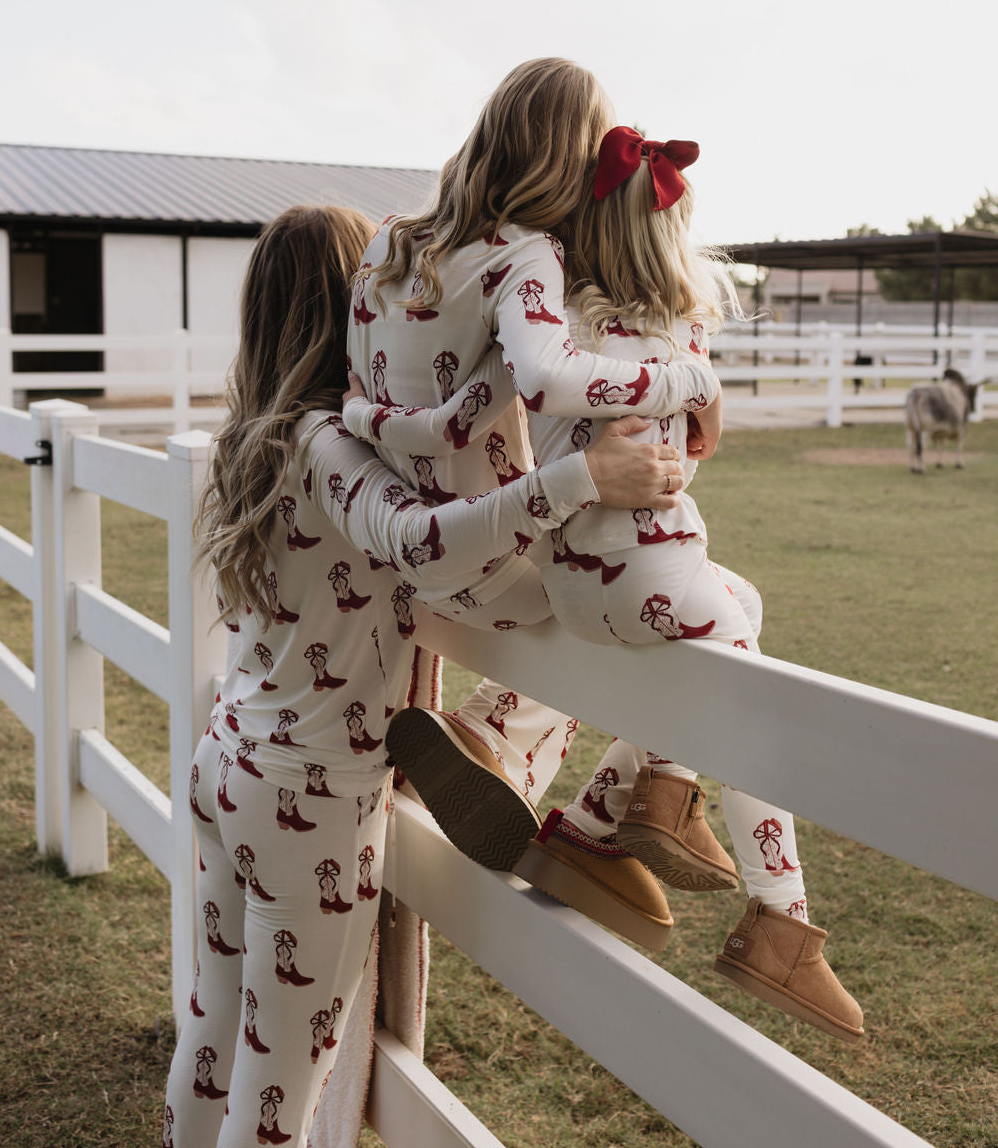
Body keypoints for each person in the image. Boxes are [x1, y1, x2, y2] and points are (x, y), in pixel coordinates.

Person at [157, 204, 684, 1148]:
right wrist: (581, 476)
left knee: (214, 1036)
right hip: (308, 808)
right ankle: (518, 753)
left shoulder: (249, 439)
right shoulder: (327, 445)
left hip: (228, 767)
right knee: (279, 1081)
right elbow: (426, 543)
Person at [345, 61, 863, 1042]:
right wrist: (678, 375)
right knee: (634, 614)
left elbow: (382, 393)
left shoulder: (386, 242)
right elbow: (546, 374)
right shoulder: (528, 255)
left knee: (717, 598)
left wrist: (394, 424)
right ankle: (564, 769)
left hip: (400, 539)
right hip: (503, 542)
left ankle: (599, 805)